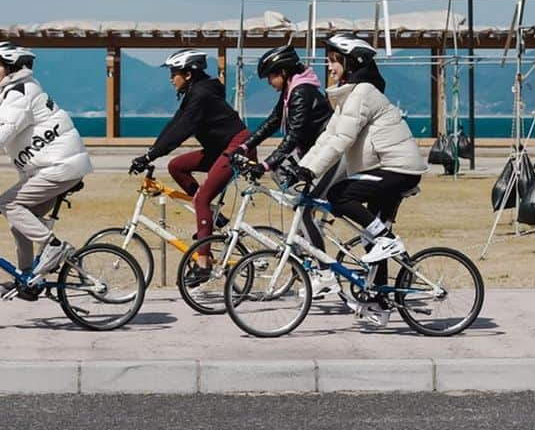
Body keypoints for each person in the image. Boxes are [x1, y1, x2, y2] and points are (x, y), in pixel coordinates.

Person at [0, 42, 93, 302]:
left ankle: (54, 247)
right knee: (19, 223)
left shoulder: (21, 93)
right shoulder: (16, 92)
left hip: (60, 167)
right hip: (56, 167)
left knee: (8, 203)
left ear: (12, 68)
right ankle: (29, 279)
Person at [294, 33, 427, 326]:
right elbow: (327, 137)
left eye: (333, 61)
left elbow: (342, 140)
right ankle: (379, 301)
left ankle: (388, 239)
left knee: (340, 195)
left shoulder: (363, 93)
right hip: (389, 167)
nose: (328, 67)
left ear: (351, 62)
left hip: (399, 168)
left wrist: (312, 171)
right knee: (370, 239)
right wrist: (302, 167)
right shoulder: (350, 94)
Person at [128, 49, 251, 286]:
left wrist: (150, 156)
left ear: (189, 74)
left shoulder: (201, 95)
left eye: (174, 73)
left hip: (236, 148)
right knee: (177, 166)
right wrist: (149, 154)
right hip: (219, 149)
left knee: (201, 200)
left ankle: (204, 263)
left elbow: (182, 130)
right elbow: (174, 124)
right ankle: (213, 217)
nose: (170, 78)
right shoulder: (195, 92)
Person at [234, 44, 337, 297]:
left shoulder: (302, 91)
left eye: (271, 76)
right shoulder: (293, 89)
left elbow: (294, 135)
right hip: (312, 159)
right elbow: (272, 121)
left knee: (303, 211)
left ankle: (326, 274)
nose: (269, 82)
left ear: (283, 71)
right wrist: (245, 146)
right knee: (298, 204)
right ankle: (308, 245)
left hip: (328, 160)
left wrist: (266, 163)